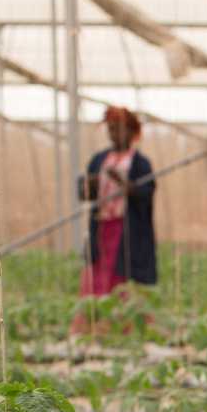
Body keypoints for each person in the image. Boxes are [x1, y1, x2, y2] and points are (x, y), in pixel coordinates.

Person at [74, 106, 157, 334]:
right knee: (99, 275)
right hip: (102, 227)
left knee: (123, 275)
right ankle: (96, 328)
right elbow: (85, 195)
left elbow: (146, 193)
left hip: (127, 230)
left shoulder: (140, 163)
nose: (114, 134)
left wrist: (124, 184)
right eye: (111, 129)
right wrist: (88, 187)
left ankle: (126, 329)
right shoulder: (99, 160)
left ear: (131, 132)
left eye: (119, 129)